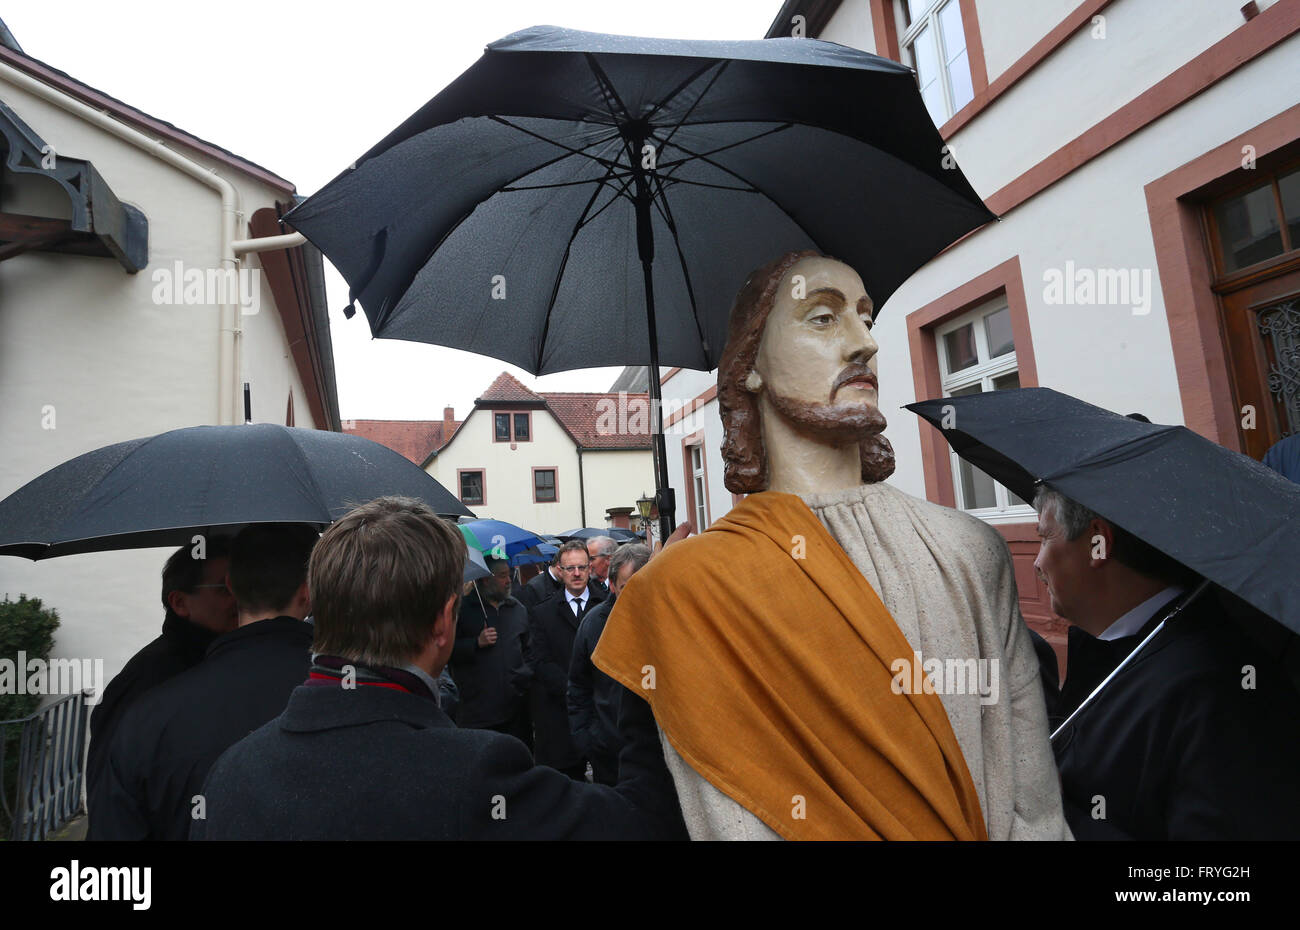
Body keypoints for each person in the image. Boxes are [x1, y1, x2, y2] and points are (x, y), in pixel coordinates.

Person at [595, 250, 1069, 840]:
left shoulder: (969, 550)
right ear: (750, 367)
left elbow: (1035, 806)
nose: (863, 343)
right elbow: (712, 808)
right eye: (823, 318)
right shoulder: (682, 591)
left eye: (866, 319)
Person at [192, 497, 687, 840]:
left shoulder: (231, 774)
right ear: (443, 622)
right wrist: (649, 619)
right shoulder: (478, 775)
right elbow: (644, 823)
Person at [1033, 485, 1300, 839]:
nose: (1037, 562)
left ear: (1098, 542)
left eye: (1045, 537)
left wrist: (1054, 815)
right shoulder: (1115, 650)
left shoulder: (1216, 690)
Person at [89, 524, 318, 840]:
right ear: (309, 593)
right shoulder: (350, 694)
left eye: (227, 591)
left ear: (234, 586)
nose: (227, 604)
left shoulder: (152, 712)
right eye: (219, 592)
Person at [85, 539, 236, 822]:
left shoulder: (218, 658)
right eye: (223, 589)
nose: (238, 599)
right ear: (180, 603)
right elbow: (110, 797)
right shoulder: (148, 677)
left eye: (240, 586)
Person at [569, 543, 651, 785]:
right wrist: (590, 740)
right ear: (613, 586)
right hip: (610, 755)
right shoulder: (593, 625)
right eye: (627, 588)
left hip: (656, 753)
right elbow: (577, 686)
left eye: (642, 586)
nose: (635, 596)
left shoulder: (667, 619)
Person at [525, 539, 604, 779]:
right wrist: (573, 690)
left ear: (590, 568)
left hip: (601, 711)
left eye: (581, 567)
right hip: (559, 717)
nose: (577, 574)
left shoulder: (606, 607)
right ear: (560, 570)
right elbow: (540, 661)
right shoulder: (542, 612)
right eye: (570, 568)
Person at [449, 556, 531, 747]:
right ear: (486, 578)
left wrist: (523, 677)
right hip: (478, 712)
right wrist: (476, 643)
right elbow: (448, 652)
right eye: (502, 576)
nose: (508, 580)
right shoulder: (462, 610)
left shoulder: (517, 609)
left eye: (509, 574)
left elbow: (530, 650)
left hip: (516, 709)